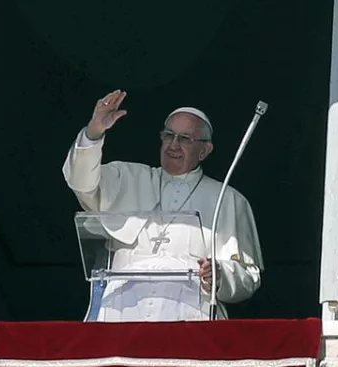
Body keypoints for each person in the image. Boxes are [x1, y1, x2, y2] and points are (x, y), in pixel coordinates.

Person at [63, 89, 263, 321]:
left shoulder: (228, 199)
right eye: (168, 135)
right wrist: (94, 131)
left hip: (190, 315)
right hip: (121, 312)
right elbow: (80, 181)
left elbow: (248, 276)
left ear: (204, 151)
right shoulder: (127, 178)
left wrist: (220, 274)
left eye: (185, 139)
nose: (173, 145)